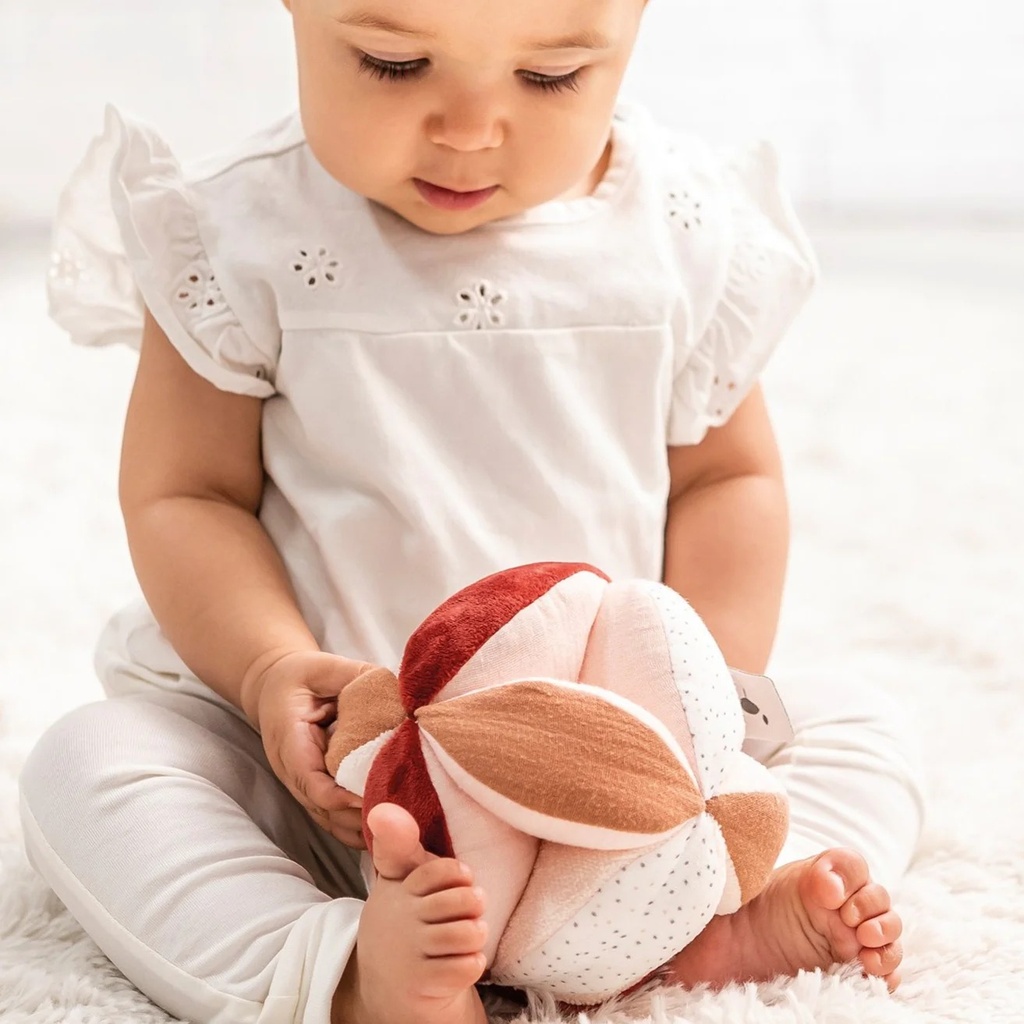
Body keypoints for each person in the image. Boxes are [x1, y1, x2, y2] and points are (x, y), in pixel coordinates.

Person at [19, 1, 926, 1022]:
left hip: (614, 786)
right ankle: (341, 962)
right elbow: (188, 493)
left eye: (548, 79)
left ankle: (703, 900)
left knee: (858, 721)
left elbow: (728, 482)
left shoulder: (682, 232)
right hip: (335, 779)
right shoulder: (235, 235)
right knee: (94, 762)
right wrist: (269, 665)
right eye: (393, 63)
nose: (468, 128)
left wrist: (698, 725)